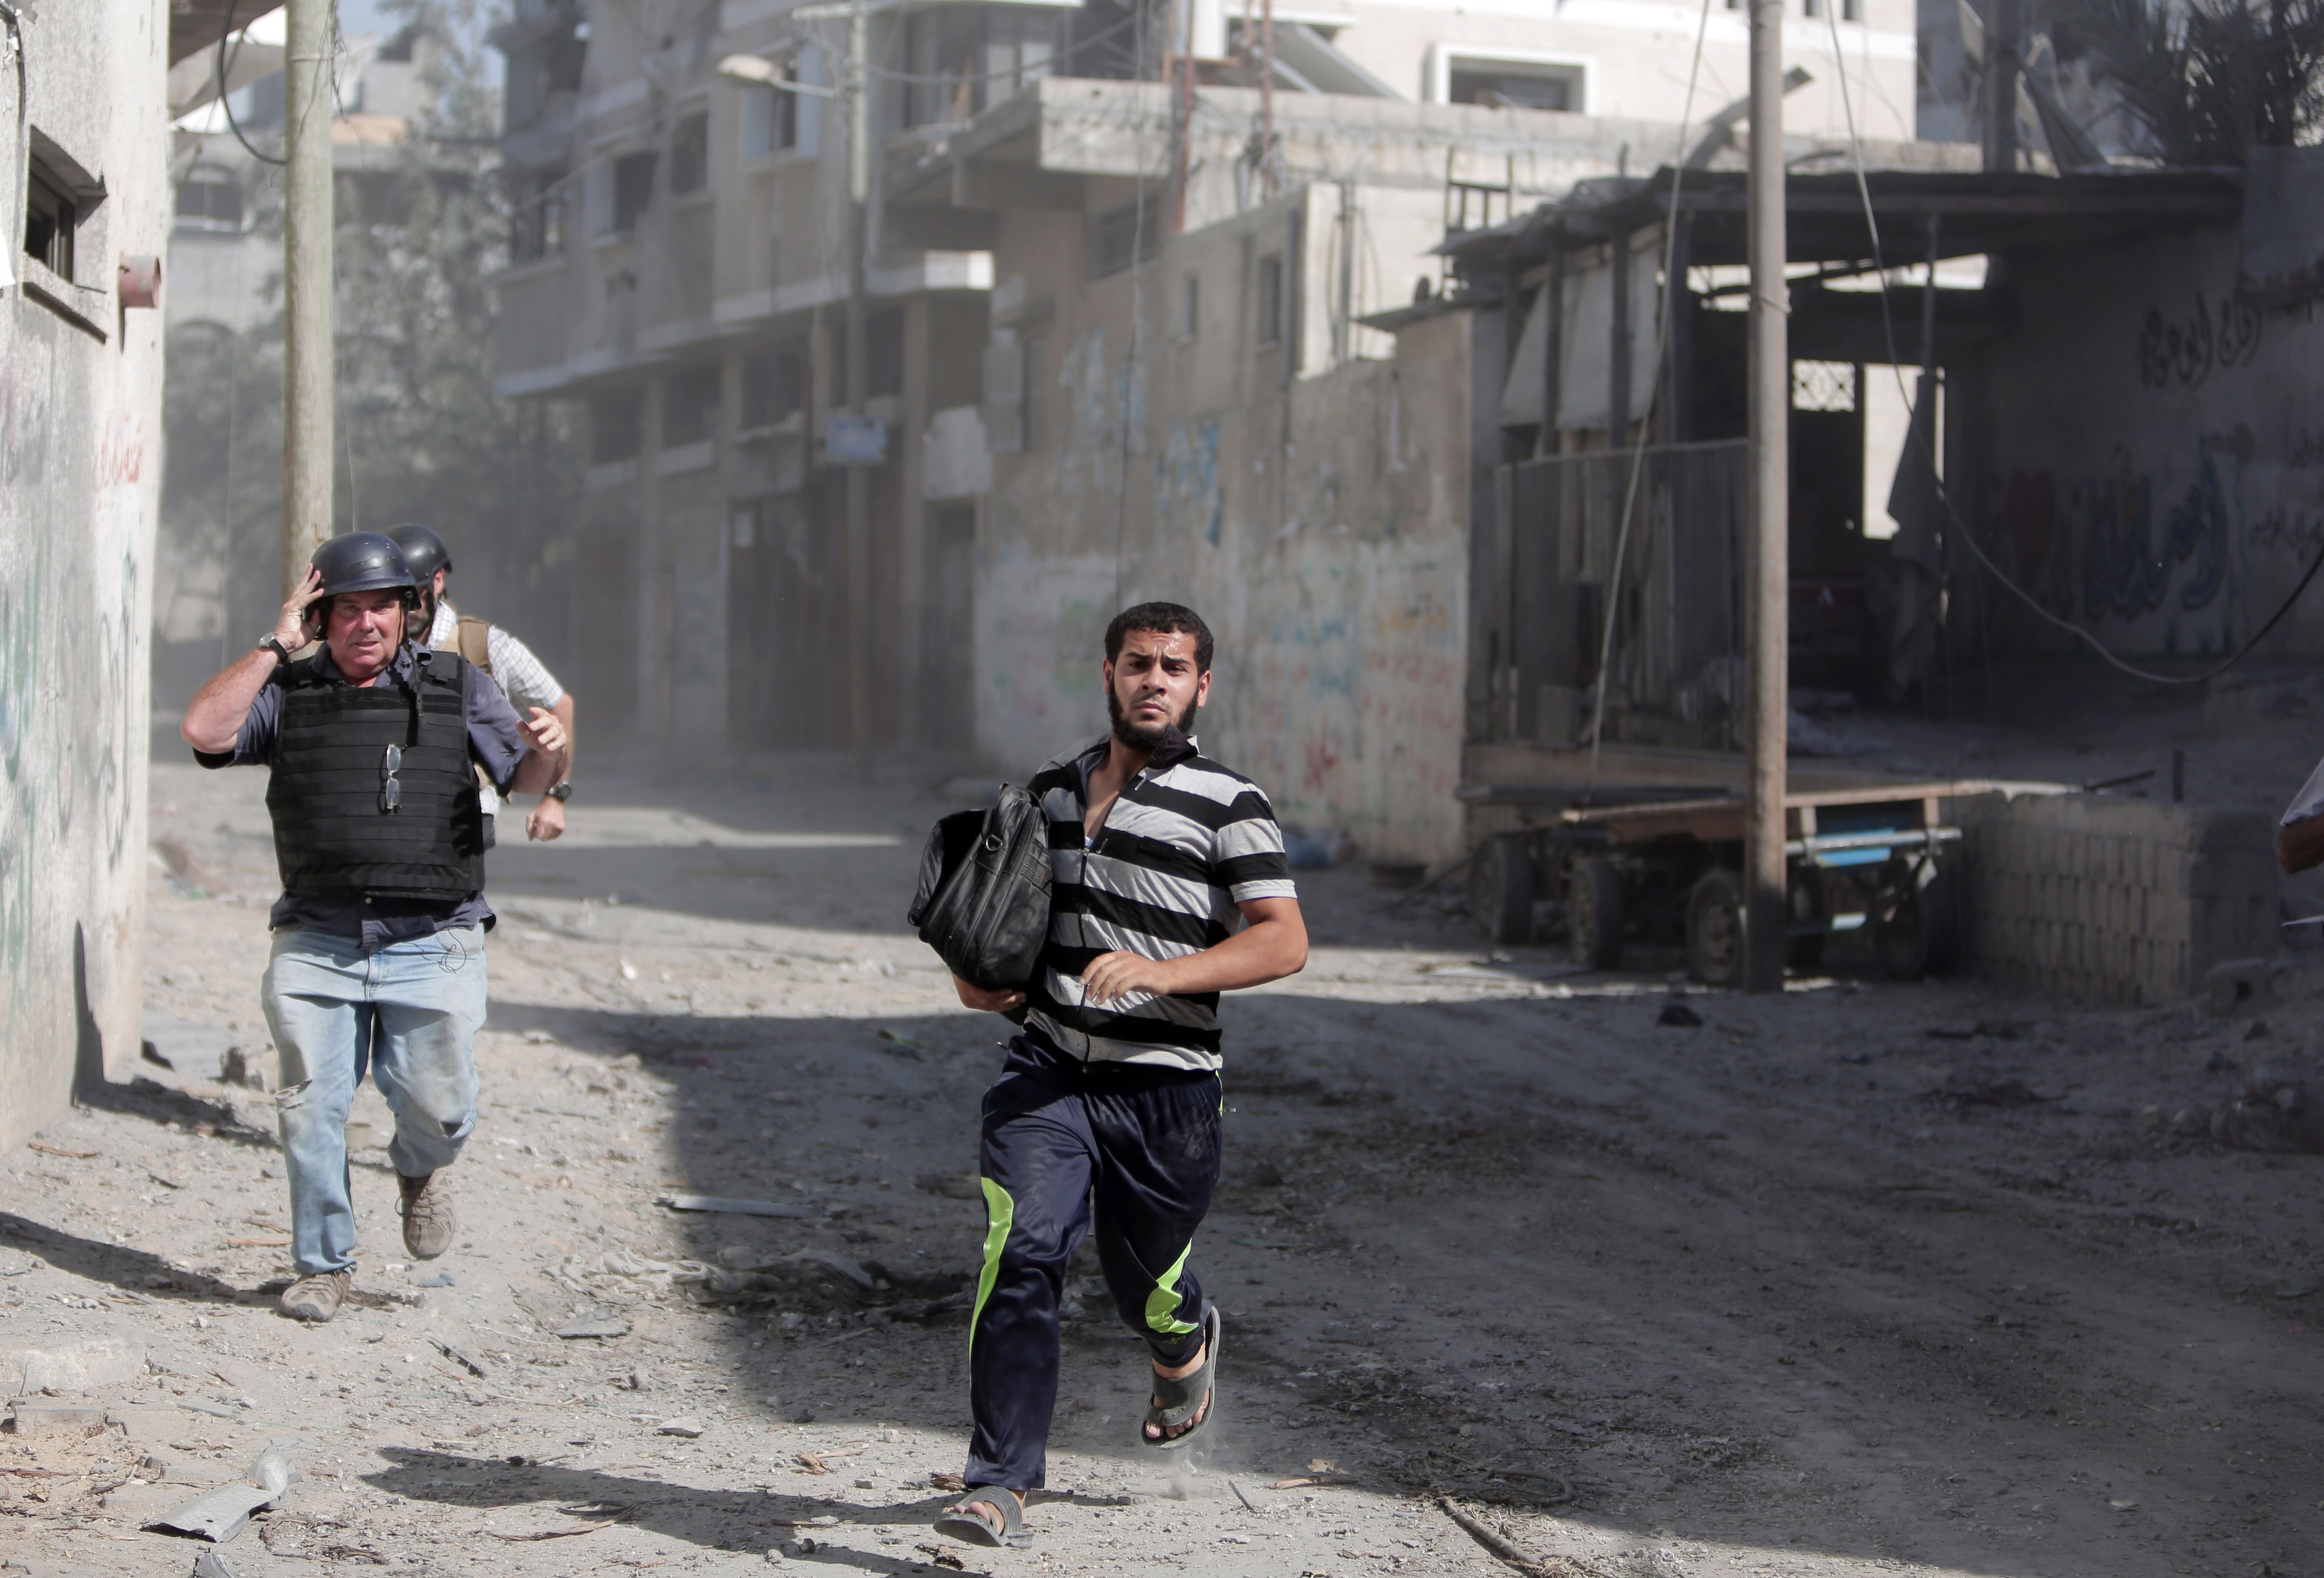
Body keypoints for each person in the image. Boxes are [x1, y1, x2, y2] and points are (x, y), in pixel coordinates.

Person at [934, 602, 1308, 1551]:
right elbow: (1004, 915)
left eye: (1173, 667)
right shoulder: (1050, 793)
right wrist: (983, 976)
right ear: (1107, 673)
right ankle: (998, 1480)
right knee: (1022, 1250)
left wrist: (1165, 972)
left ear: (1200, 686)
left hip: (1167, 1094)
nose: (1154, 679)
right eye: (1137, 662)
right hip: (1049, 1072)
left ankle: (1182, 1338)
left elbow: (1282, 938)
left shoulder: (1231, 802)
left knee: (1143, 1278)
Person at [180, 532, 569, 1323]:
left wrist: (547, 755)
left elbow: (522, 778)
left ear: (408, 613)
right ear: (321, 617)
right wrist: (271, 644)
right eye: (346, 609)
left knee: (441, 1105)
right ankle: (324, 1265)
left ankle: (423, 1167)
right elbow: (206, 732)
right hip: (317, 937)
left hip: (435, 936)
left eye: (381, 608)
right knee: (309, 1105)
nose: (365, 624)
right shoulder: (288, 692)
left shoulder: (458, 685)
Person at [383, 523, 577, 843]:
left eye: (414, 595)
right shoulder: (375, 645)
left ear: (438, 581)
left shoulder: (485, 646)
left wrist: (556, 797)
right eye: (395, 597)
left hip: (463, 820)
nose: (407, 608)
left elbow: (559, 704)